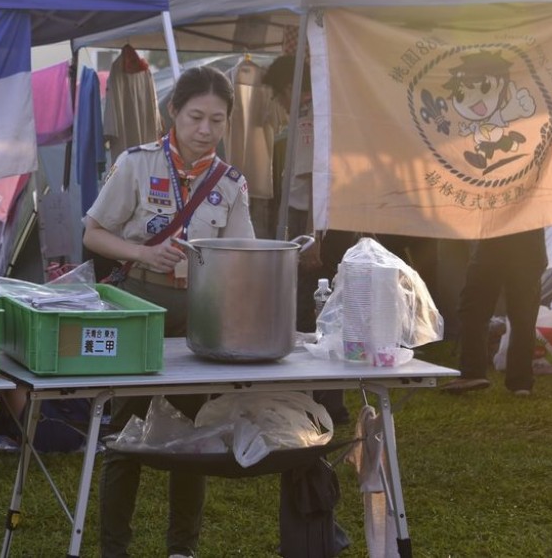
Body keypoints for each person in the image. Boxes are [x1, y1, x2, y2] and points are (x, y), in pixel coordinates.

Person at [83, 65, 254, 558]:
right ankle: (115, 548)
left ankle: (183, 549)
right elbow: (92, 233)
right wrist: (141, 253)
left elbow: (241, 257)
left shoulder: (230, 183)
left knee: (193, 433)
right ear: (173, 112)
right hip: (141, 303)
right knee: (126, 432)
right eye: (196, 116)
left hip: (200, 314)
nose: (205, 130)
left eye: (217, 121)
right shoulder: (136, 164)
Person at [262, 55, 352, 425]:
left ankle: (321, 399)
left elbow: (317, 181)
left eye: (278, 97)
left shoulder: (310, 118)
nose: (280, 106)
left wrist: (314, 237)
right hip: (333, 225)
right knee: (332, 314)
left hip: (320, 228)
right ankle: (329, 398)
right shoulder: (332, 111)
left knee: (314, 316)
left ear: (289, 89)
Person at [442, 229, 547, 396]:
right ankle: (521, 382)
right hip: (530, 243)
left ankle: (472, 372)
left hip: (495, 240)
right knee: (523, 315)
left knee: (474, 308)